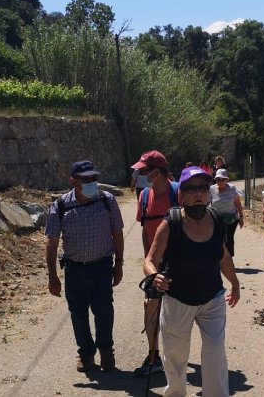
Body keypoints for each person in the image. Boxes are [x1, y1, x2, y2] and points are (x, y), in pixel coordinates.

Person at [144, 166, 241, 397]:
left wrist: (235, 284)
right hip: (178, 299)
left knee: (215, 351)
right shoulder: (172, 223)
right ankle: (176, 393)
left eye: (202, 188)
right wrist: (153, 275)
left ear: (208, 193)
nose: (198, 193)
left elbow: (223, 256)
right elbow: (151, 259)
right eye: (191, 188)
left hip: (212, 298)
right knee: (176, 355)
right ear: (182, 194)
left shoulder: (217, 220)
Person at [45, 160, 124, 373]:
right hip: (74, 270)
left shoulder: (107, 200)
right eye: (85, 179)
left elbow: (117, 233)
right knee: (78, 314)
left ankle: (106, 351)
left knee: (104, 310)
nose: (91, 183)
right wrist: (53, 277)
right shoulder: (60, 205)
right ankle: (86, 354)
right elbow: (51, 243)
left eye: (94, 178)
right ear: (73, 181)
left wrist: (119, 264)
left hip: (102, 267)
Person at [132, 150, 178, 377]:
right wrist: (147, 259)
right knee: (151, 304)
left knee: (179, 311)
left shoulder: (177, 193)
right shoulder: (143, 197)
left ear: (157, 173)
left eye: (143, 170)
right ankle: (153, 355)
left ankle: (177, 355)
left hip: (179, 262)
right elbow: (144, 230)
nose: (139, 174)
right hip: (156, 263)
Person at [209, 168, 244, 256]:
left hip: (231, 219)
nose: (220, 181)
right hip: (217, 219)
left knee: (229, 237)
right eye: (218, 179)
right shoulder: (212, 189)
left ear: (227, 180)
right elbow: (207, 203)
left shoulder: (232, 188)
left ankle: (229, 258)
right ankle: (219, 257)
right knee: (218, 238)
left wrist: (241, 217)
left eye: (223, 179)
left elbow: (238, 203)